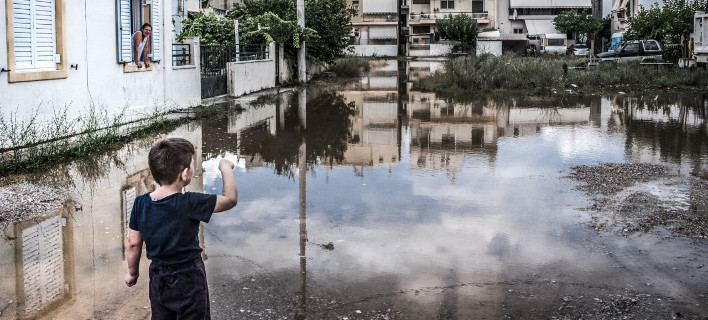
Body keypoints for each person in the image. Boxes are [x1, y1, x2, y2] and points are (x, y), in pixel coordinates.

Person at [125, 138, 238, 319]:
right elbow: (230, 199)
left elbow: (133, 243)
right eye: (193, 165)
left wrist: (132, 272)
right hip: (189, 277)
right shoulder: (190, 202)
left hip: (158, 276)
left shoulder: (140, 203)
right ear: (185, 174)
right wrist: (225, 167)